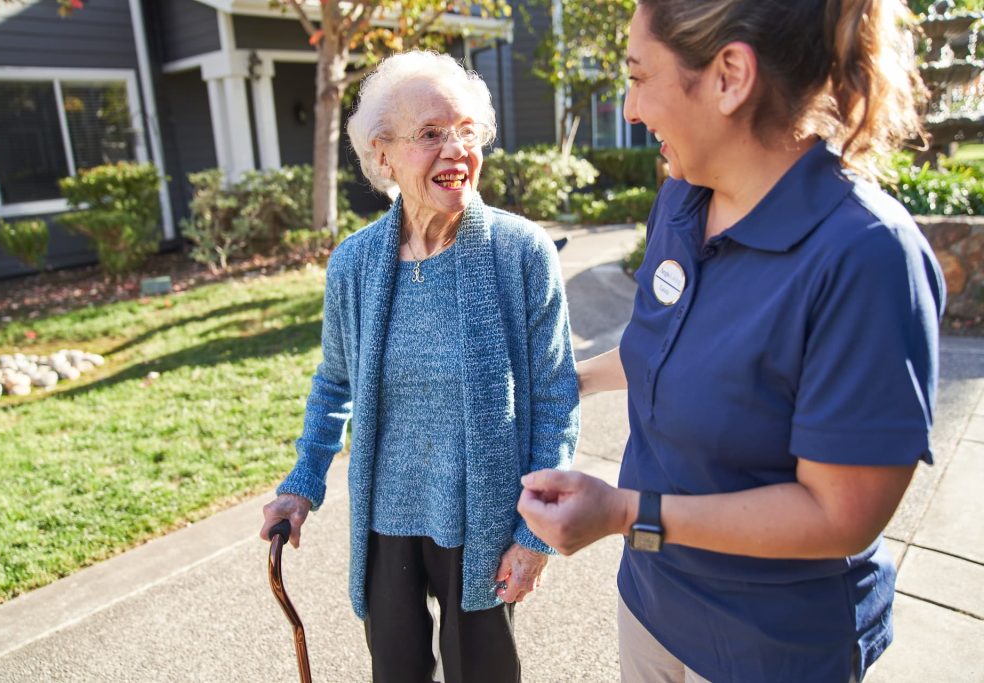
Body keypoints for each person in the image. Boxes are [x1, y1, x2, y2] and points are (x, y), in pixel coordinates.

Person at [517, 2, 944, 682]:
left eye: (637, 75)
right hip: (652, 604)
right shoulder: (683, 198)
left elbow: (840, 516)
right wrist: (565, 379)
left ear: (729, 76)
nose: (630, 108)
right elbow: (672, 343)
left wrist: (627, 512)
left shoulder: (865, 256)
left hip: (771, 649)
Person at [259, 50, 579, 683]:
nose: (456, 149)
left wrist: (536, 533)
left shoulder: (520, 253)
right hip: (387, 520)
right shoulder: (354, 264)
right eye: (432, 134)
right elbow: (334, 382)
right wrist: (302, 484)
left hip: (484, 519)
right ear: (384, 155)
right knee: (396, 671)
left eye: (466, 131)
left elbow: (553, 395)